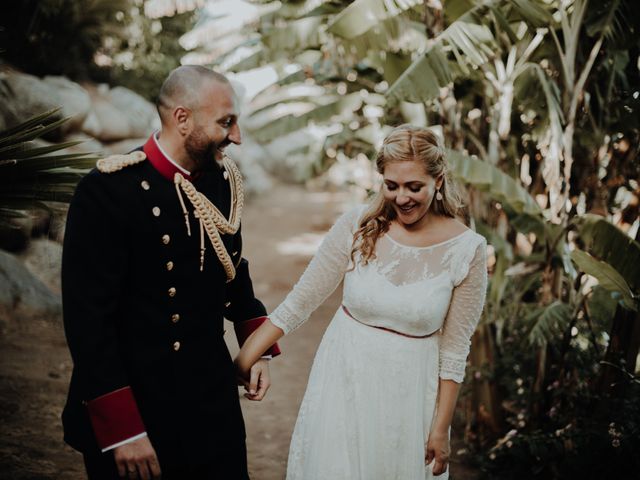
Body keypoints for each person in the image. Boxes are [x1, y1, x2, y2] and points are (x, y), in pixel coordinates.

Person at [61, 65, 280, 480]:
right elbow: (88, 322)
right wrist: (124, 430)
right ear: (183, 119)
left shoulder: (220, 180)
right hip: (139, 406)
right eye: (226, 122)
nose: (236, 137)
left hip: (211, 400)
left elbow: (232, 269)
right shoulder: (108, 191)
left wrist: (257, 347)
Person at [235, 124, 488, 479]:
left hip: (410, 395)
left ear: (439, 180)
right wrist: (247, 356)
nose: (402, 198)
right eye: (392, 185)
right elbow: (301, 301)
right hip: (343, 381)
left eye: (415, 187)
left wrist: (440, 427)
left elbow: (454, 352)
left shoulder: (468, 250)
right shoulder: (357, 225)